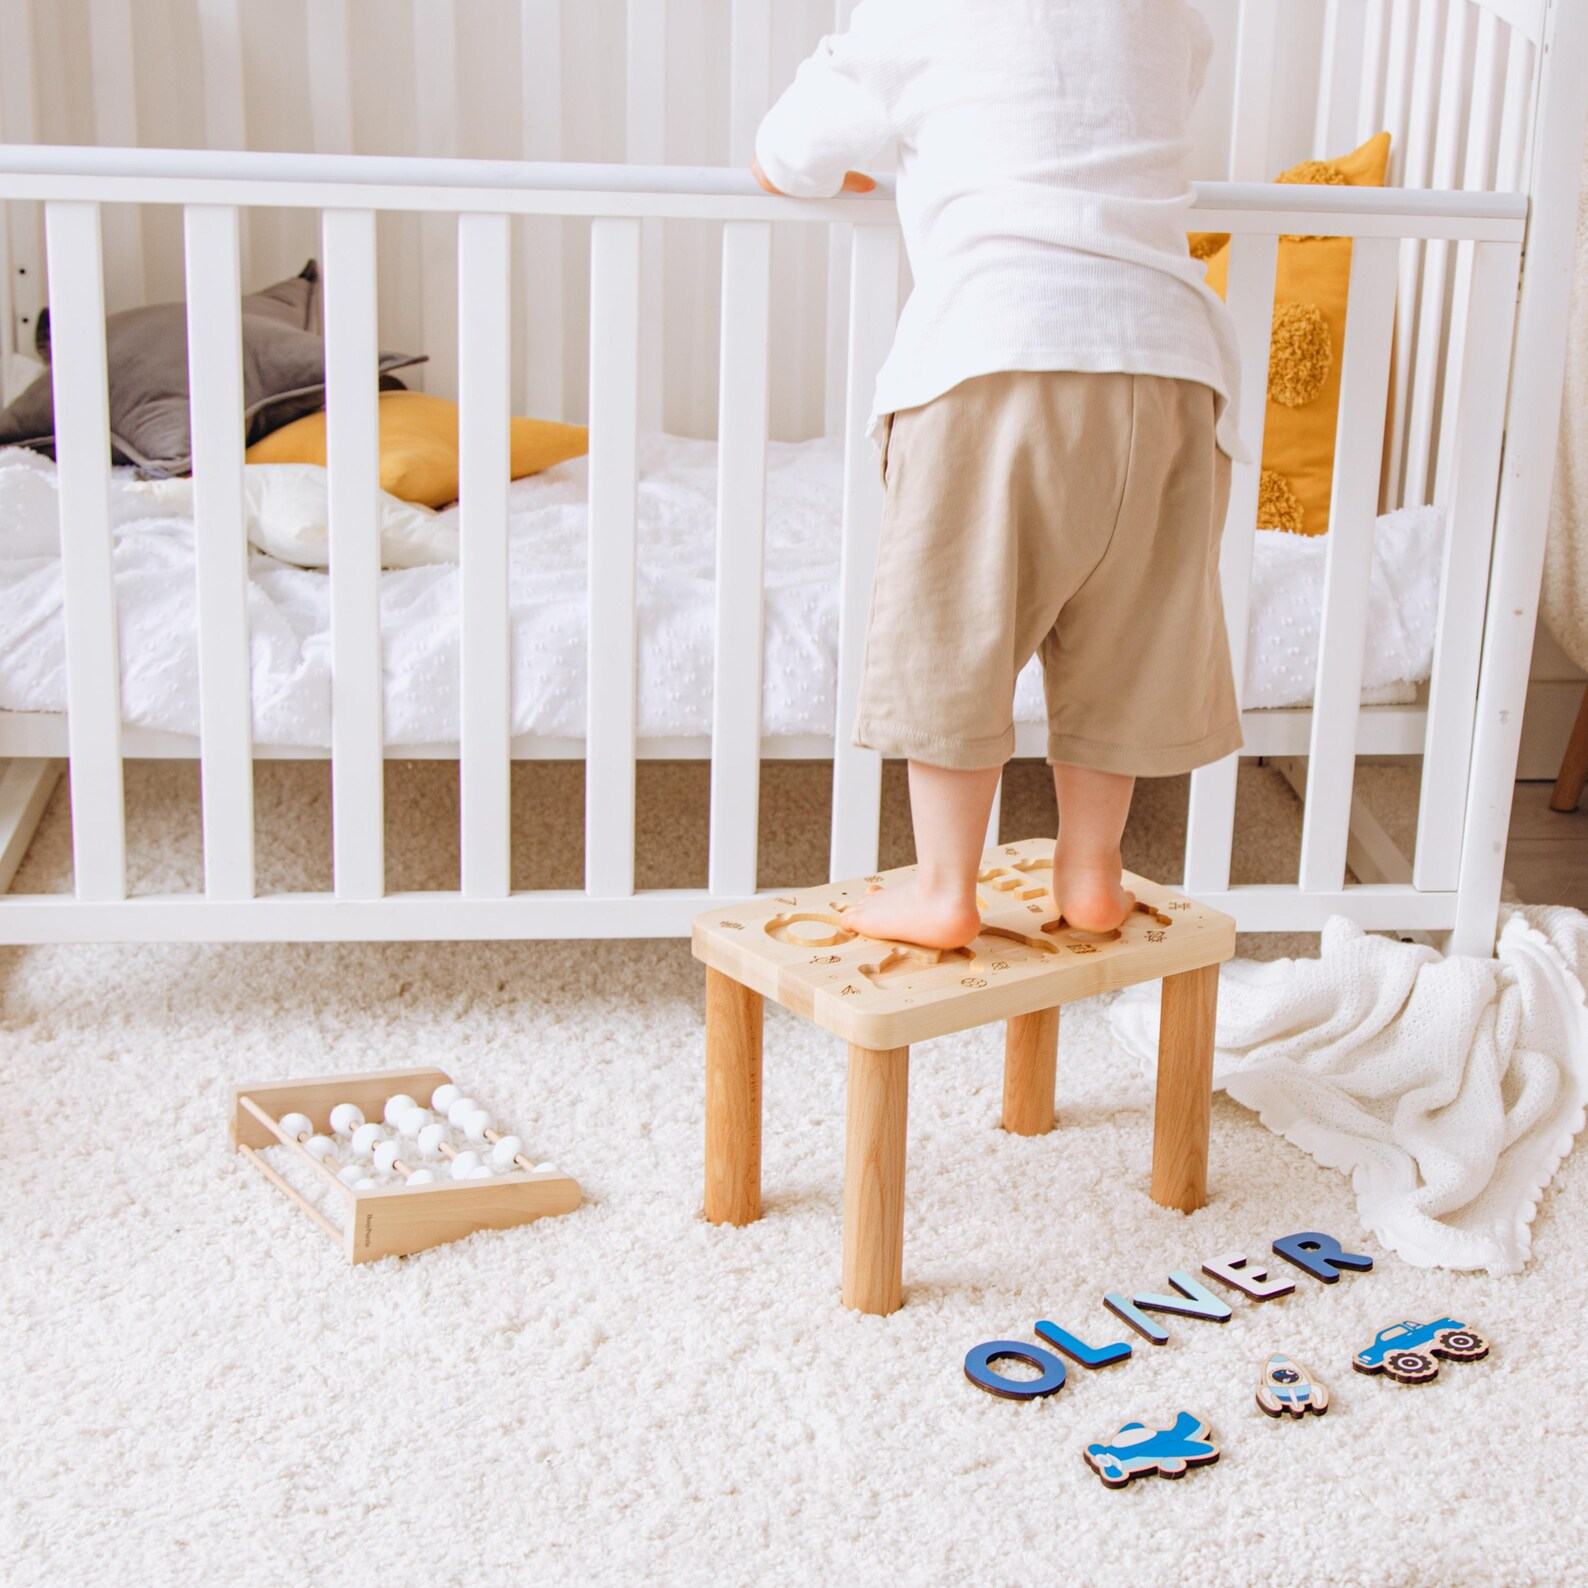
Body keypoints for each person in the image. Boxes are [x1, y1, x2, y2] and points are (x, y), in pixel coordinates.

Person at [753, 0, 1245, 945]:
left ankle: (945, 887)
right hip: (1174, 368)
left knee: (955, 634)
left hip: (998, 353)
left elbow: (789, 153)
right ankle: (1093, 870)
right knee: (1126, 634)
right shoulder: (1166, 16)